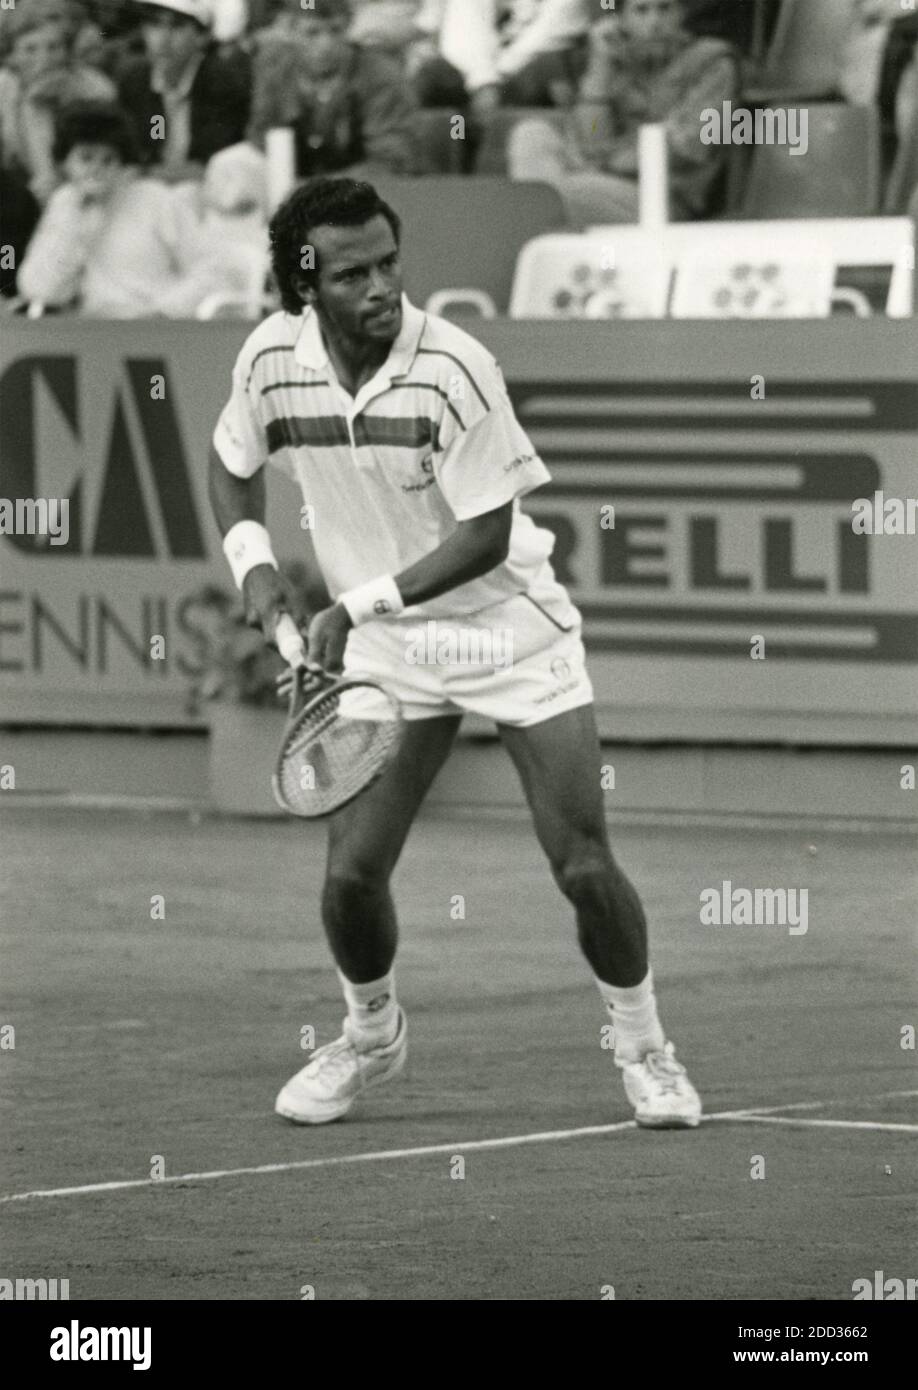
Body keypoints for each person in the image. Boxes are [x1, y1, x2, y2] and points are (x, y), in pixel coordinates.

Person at [208, 175, 703, 1130]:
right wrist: (260, 575)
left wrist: (353, 604)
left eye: (390, 263)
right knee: (351, 876)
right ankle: (370, 1034)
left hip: (507, 631)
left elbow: (483, 535)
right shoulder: (271, 359)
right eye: (352, 273)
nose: (382, 287)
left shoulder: (455, 365)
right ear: (304, 284)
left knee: (583, 865)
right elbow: (233, 467)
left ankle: (645, 1048)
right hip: (387, 647)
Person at [507, 0, 738, 228]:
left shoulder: (713, 62)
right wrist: (600, 68)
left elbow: (684, 148)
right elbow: (591, 139)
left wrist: (603, 162)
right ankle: (547, 228)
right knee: (531, 134)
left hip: (661, 196)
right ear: (621, 20)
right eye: (641, 11)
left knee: (551, 194)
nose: (654, 22)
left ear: (681, 14)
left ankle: (541, 228)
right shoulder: (611, 56)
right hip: (598, 182)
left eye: (665, 9)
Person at [17, 100, 229, 317]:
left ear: (122, 163)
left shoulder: (156, 199)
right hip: (89, 334)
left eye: (108, 160)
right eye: (86, 158)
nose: (96, 170)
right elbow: (39, 290)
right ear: (65, 162)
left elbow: (212, 271)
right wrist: (77, 228)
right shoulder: (64, 204)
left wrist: (163, 312)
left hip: (157, 330)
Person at [248, 0, 419, 177]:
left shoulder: (380, 75)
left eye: (336, 30)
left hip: (362, 187)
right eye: (312, 33)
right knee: (232, 165)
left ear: (348, 28)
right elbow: (261, 138)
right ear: (291, 32)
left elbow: (391, 159)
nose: (326, 44)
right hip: (293, 179)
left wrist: (322, 188)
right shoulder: (276, 70)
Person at [117, 0, 251, 181]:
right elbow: (136, 151)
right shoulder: (134, 81)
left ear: (202, 36)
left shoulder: (225, 86)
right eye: (154, 24)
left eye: (177, 26)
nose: (163, 38)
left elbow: (212, 165)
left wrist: (148, 173)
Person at [0, 0, 115, 204]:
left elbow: (98, 160)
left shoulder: (96, 89)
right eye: (30, 49)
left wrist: (37, 106)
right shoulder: (4, 86)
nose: (44, 59)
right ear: (12, 56)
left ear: (67, 51)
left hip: (82, 194)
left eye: (54, 47)